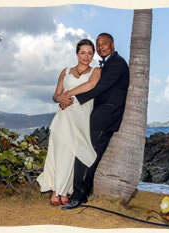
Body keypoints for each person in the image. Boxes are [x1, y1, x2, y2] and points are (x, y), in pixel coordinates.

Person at [60, 33, 130, 210]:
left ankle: (78, 196)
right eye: (98, 45)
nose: (101, 47)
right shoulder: (107, 64)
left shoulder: (117, 63)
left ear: (112, 45)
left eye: (104, 43)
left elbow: (99, 87)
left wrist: (71, 97)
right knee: (87, 153)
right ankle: (82, 192)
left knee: (85, 153)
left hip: (105, 116)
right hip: (99, 115)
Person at [36, 39, 102, 206]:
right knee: (59, 153)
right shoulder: (65, 71)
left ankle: (64, 190)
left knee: (73, 154)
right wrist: (60, 97)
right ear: (76, 54)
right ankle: (56, 191)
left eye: (89, 53)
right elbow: (55, 95)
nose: (86, 56)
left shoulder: (96, 70)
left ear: (93, 55)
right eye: (82, 53)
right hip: (63, 117)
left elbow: (90, 85)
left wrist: (68, 94)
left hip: (81, 118)